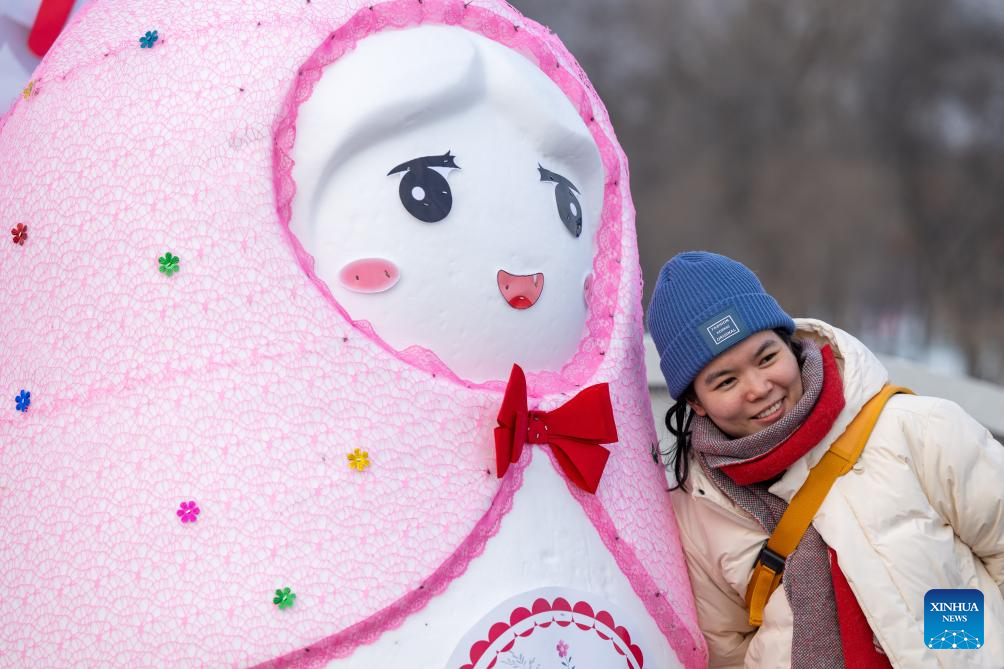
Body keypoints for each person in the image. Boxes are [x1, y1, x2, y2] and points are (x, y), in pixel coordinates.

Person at [646, 251, 1004, 668]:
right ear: (696, 402)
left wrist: (956, 646)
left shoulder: (916, 430)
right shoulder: (698, 512)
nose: (759, 387)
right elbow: (727, 652)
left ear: (790, 342)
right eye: (726, 381)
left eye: (767, 358)